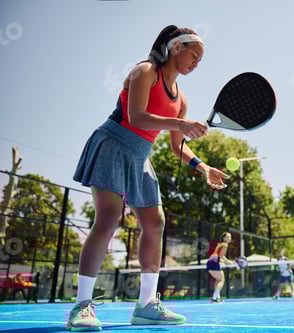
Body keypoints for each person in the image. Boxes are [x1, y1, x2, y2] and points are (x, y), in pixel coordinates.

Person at [67, 25, 229, 331]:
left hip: (141, 156)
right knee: (108, 217)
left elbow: (174, 146)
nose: (196, 63)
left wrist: (203, 167)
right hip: (113, 143)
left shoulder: (181, 100)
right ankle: (81, 305)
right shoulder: (145, 72)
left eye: (200, 60)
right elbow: (137, 116)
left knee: (155, 222)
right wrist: (180, 124)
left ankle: (146, 305)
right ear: (177, 48)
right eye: (194, 55)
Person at [206, 232, 236, 303]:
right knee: (221, 279)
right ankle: (214, 297)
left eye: (230, 237)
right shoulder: (225, 244)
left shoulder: (219, 244)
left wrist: (225, 261)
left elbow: (218, 256)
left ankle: (217, 298)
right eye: (228, 237)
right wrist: (229, 262)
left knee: (218, 279)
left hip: (210, 262)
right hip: (214, 263)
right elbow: (221, 255)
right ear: (224, 238)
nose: (230, 238)